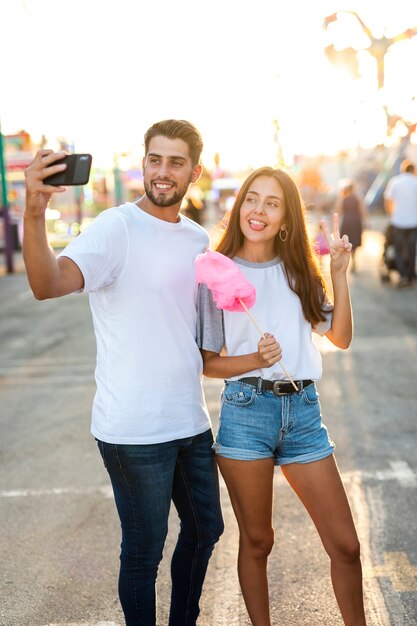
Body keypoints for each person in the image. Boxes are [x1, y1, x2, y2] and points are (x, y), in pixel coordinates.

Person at [23, 119, 224, 626]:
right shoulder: (116, 227)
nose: (162, 171)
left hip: (190, 422)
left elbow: (201, 333)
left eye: (175, 162)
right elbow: (48, 283)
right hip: (134, 430)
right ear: (144, 163)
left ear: (193, 172)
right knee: (143, 553)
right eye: (154, 159)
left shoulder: (198, 239)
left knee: (206, 531)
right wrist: (35, 209)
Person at [197, 167, 367, 626]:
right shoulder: (217, 272)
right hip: (246, 412)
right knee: (258, 541)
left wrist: (338, 273)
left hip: (303, 413)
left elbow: (341, 337)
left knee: (346, 546)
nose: (259, 210)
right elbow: (207, 362)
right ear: (239, 206)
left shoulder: (298, 270)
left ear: (286, 217)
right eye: (252, 199)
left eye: (272, 203)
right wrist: (254, 359)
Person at [384, 159, 417, 287]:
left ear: (402, 169)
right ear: (413, 170)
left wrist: (391, 214)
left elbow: (388, 200)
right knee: (411, 248)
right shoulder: (416, 182)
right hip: (414, 222)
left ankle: (402, 274)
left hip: (398, 221)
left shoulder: (395, 182)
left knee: (399, 249)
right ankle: (409, 275)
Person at [336, 180, 367, 272]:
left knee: (346, 241)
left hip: (347, 221)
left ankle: (345, 261)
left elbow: (338, 210)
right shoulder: (357, 198)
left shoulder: (343, 198)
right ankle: (354, 260)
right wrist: (365, 221)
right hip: (356, 221)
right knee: (354, 241)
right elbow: (363, 210)